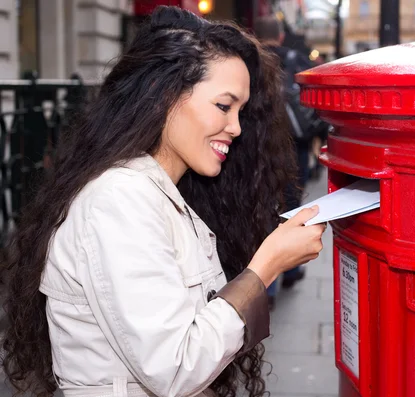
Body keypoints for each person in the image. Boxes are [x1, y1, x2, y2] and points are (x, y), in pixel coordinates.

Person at [0, 6, 326, 397]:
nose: (237, 127)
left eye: (241, 111)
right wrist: (266, 267)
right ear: (164, 96)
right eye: (224, 106)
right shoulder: (119, 200)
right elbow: (174, 368)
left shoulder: (165, 194)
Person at [253, 16, 329, 307]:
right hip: (292, 144)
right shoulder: (297, 60)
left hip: (258, 146)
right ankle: (293, 268)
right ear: (281, 37)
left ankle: (267, 285)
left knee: (262, 207)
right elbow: (313, 101)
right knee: (291, 204)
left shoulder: (250, 62)